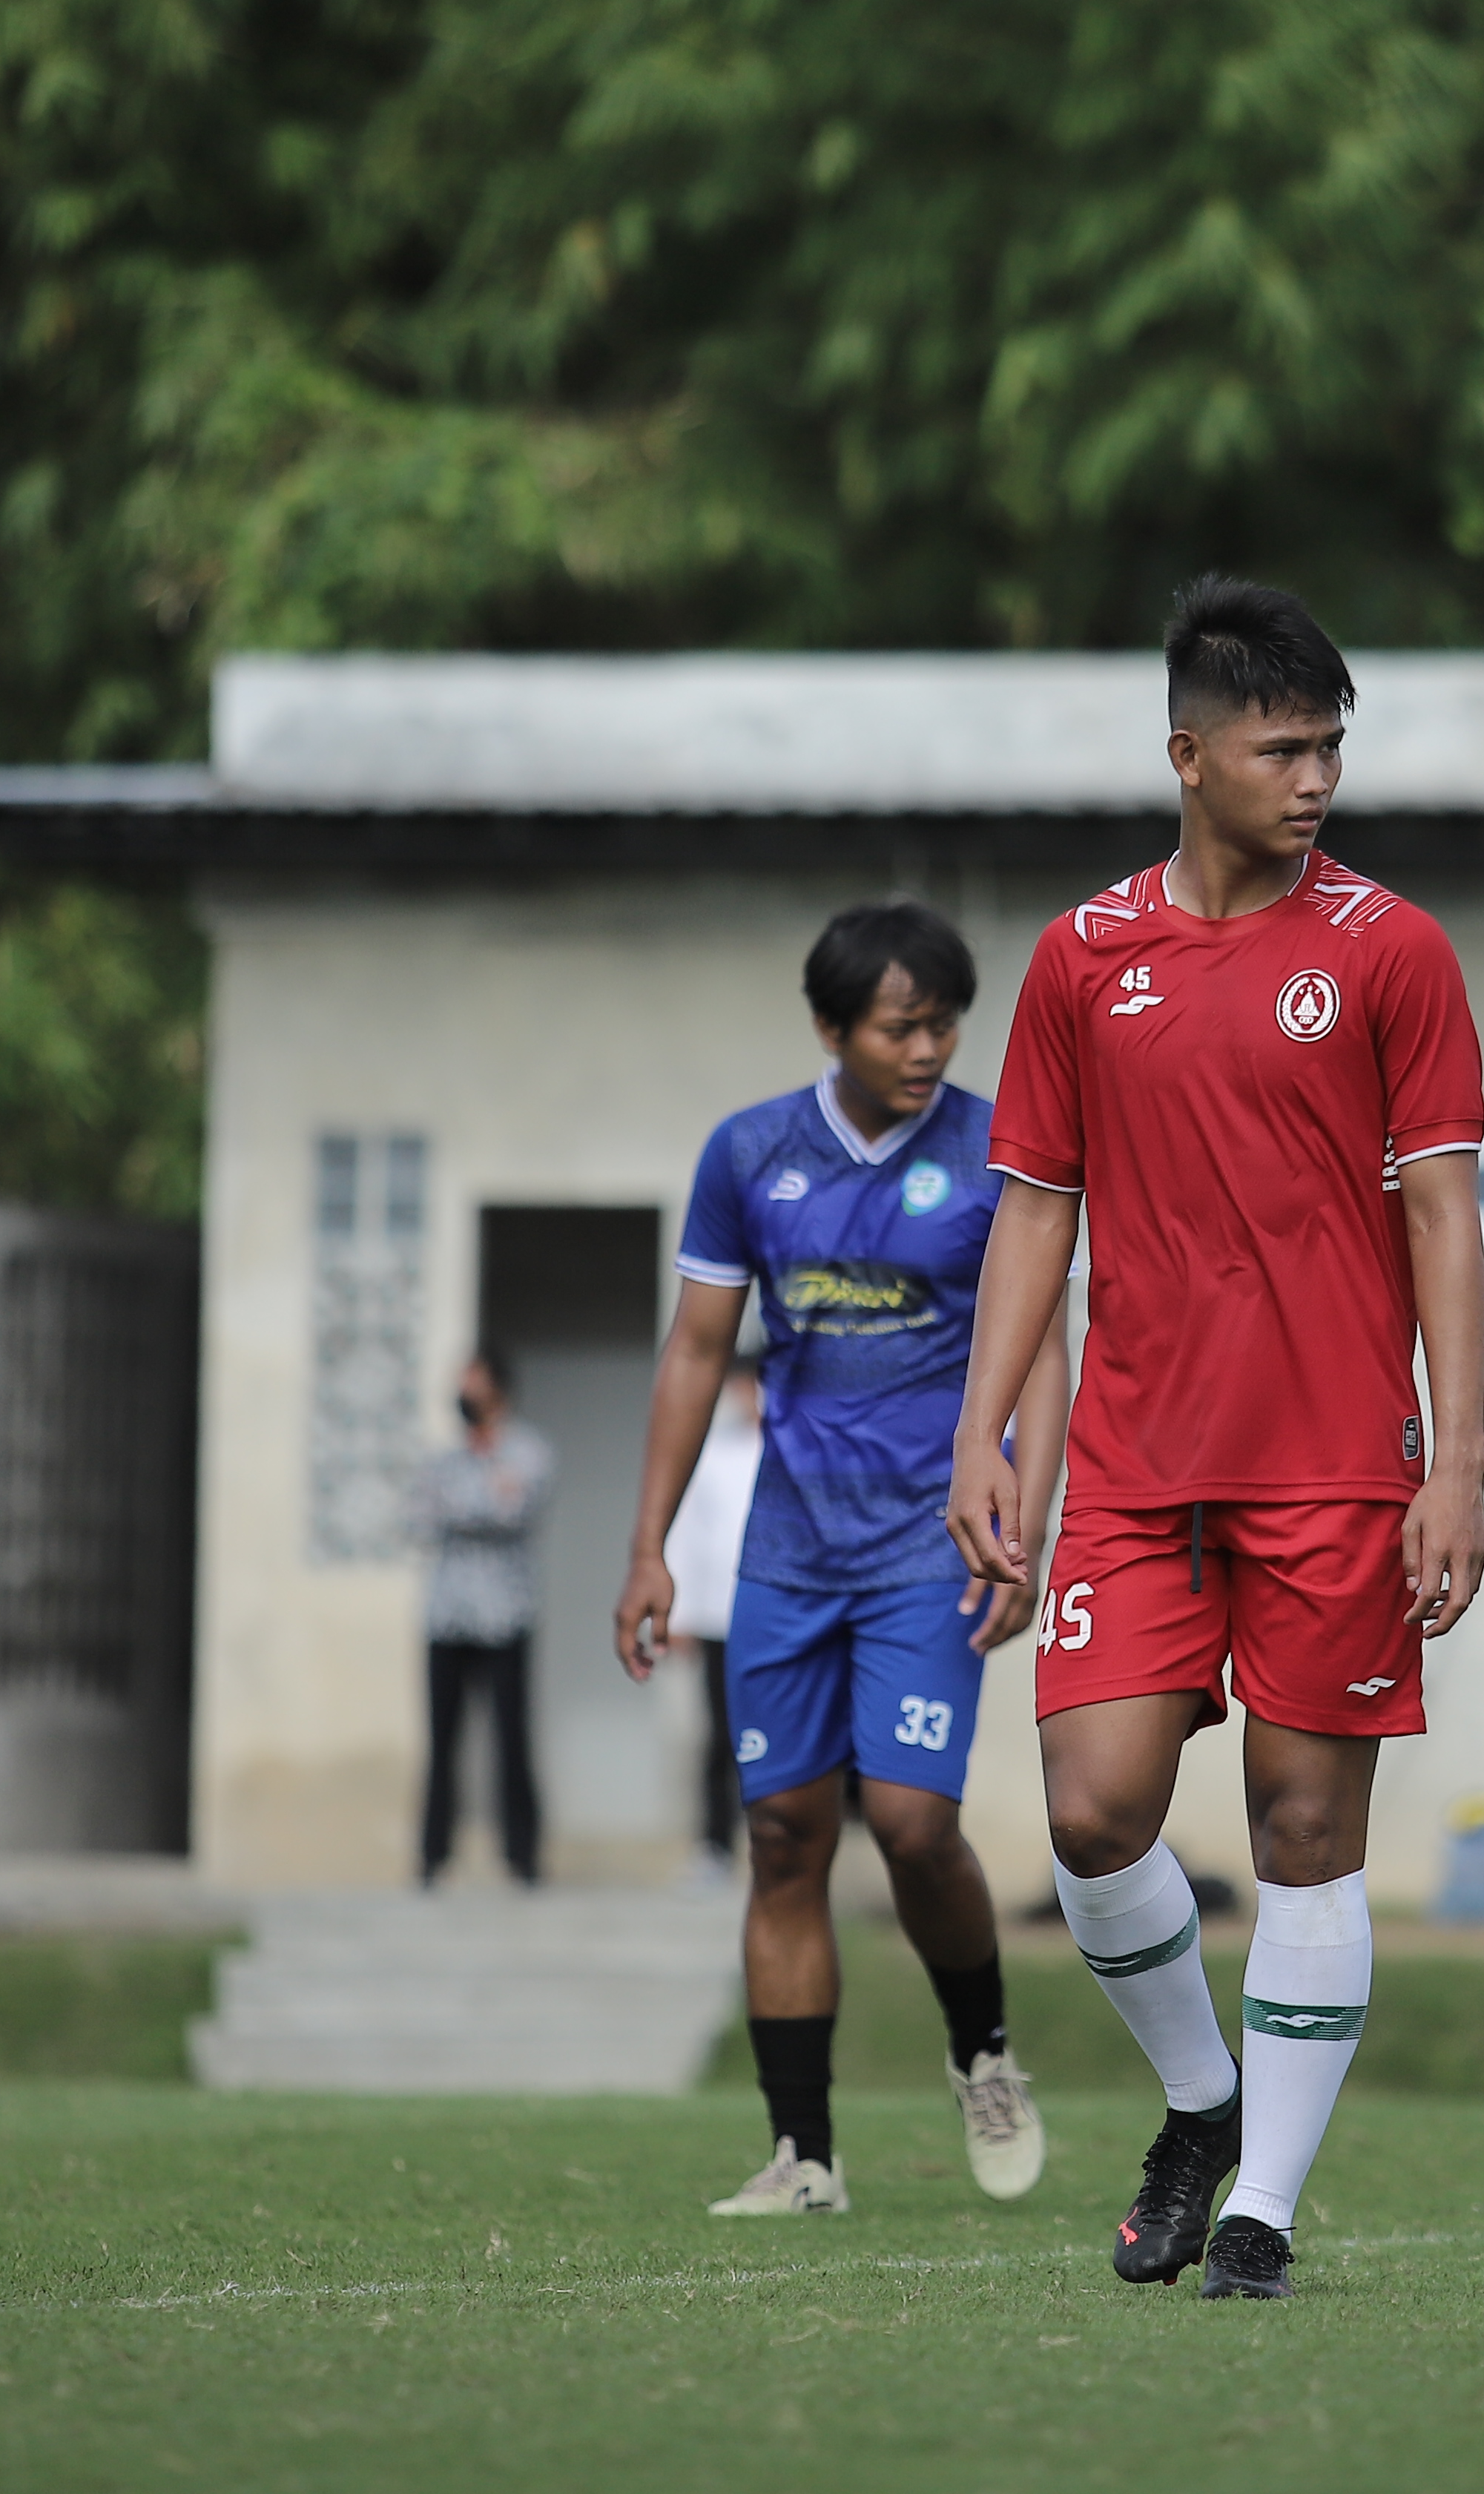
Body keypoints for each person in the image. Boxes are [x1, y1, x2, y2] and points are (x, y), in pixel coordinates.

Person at [946, 579, 1484, 2303]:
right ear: (1188, 756)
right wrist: (985, 1436)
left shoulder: (1391, 950)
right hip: (1127, 1464)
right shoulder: (1078, 959)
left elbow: (1444, 1218)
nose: (1316, 775)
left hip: (1337, 1461)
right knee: (1095, 1811)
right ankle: (1203, 2102)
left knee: (1301, 1827)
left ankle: (1258, 2208)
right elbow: (1033, 1211)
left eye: (1332, 745)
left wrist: (1456, 1462)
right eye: (1282, 747)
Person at [621, 901, 1066, 2217]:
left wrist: (1026, 1518)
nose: (928, 1048)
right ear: (832, 1028)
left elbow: (1045, 1345)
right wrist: (647, 1545)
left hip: (934, 1544)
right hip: (789, 1555)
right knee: (780, 1837)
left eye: (944, 1023)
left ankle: (982, 2051)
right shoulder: (751, 1154)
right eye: (899, 1026)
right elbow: (698, 1349)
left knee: (916, 1824)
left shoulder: (1003, 1150)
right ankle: (803, 2156)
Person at [417, 1347, 553, 1889]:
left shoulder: (529, 1452)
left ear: (496, 1389)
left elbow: (513, 1511)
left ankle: (522, 1857)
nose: (463, 1395)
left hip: (506, 1615)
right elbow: (416, 1515)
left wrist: (468, 1504)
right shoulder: (443, 1459)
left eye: (471, 1383)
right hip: (447, 1615)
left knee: (511, 1738)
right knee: (442, 1741)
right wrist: (477, 1502)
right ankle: (432, 1856)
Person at [663, 1355, 769, 1879]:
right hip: (715, 1617)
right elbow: (684, 1533)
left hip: (774, 1616)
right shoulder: (711, 1453)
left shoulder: (786, 1450)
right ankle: (714, 1846)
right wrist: (678, 1612)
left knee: (776, 1731)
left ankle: (772, 1841)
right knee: (719, 1734)